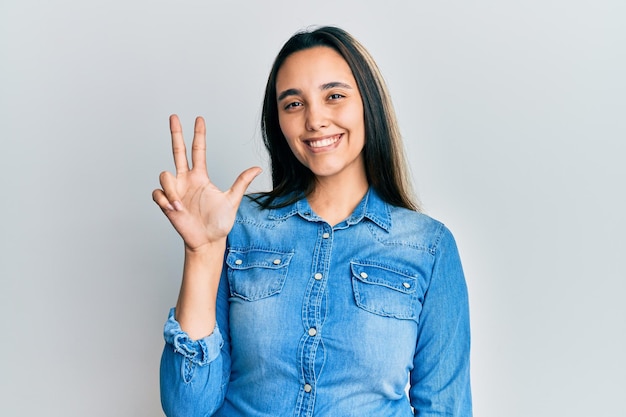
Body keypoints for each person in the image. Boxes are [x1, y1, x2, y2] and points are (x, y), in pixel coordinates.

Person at [153, 26, 472, 417]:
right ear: (279, 123)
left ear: (367, 104)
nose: (315, 119)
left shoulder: (428, 246)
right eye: (293, 104)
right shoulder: (237, 226)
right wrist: (201, 252)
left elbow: (446, 408)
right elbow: (188, 407)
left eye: (334, 96)